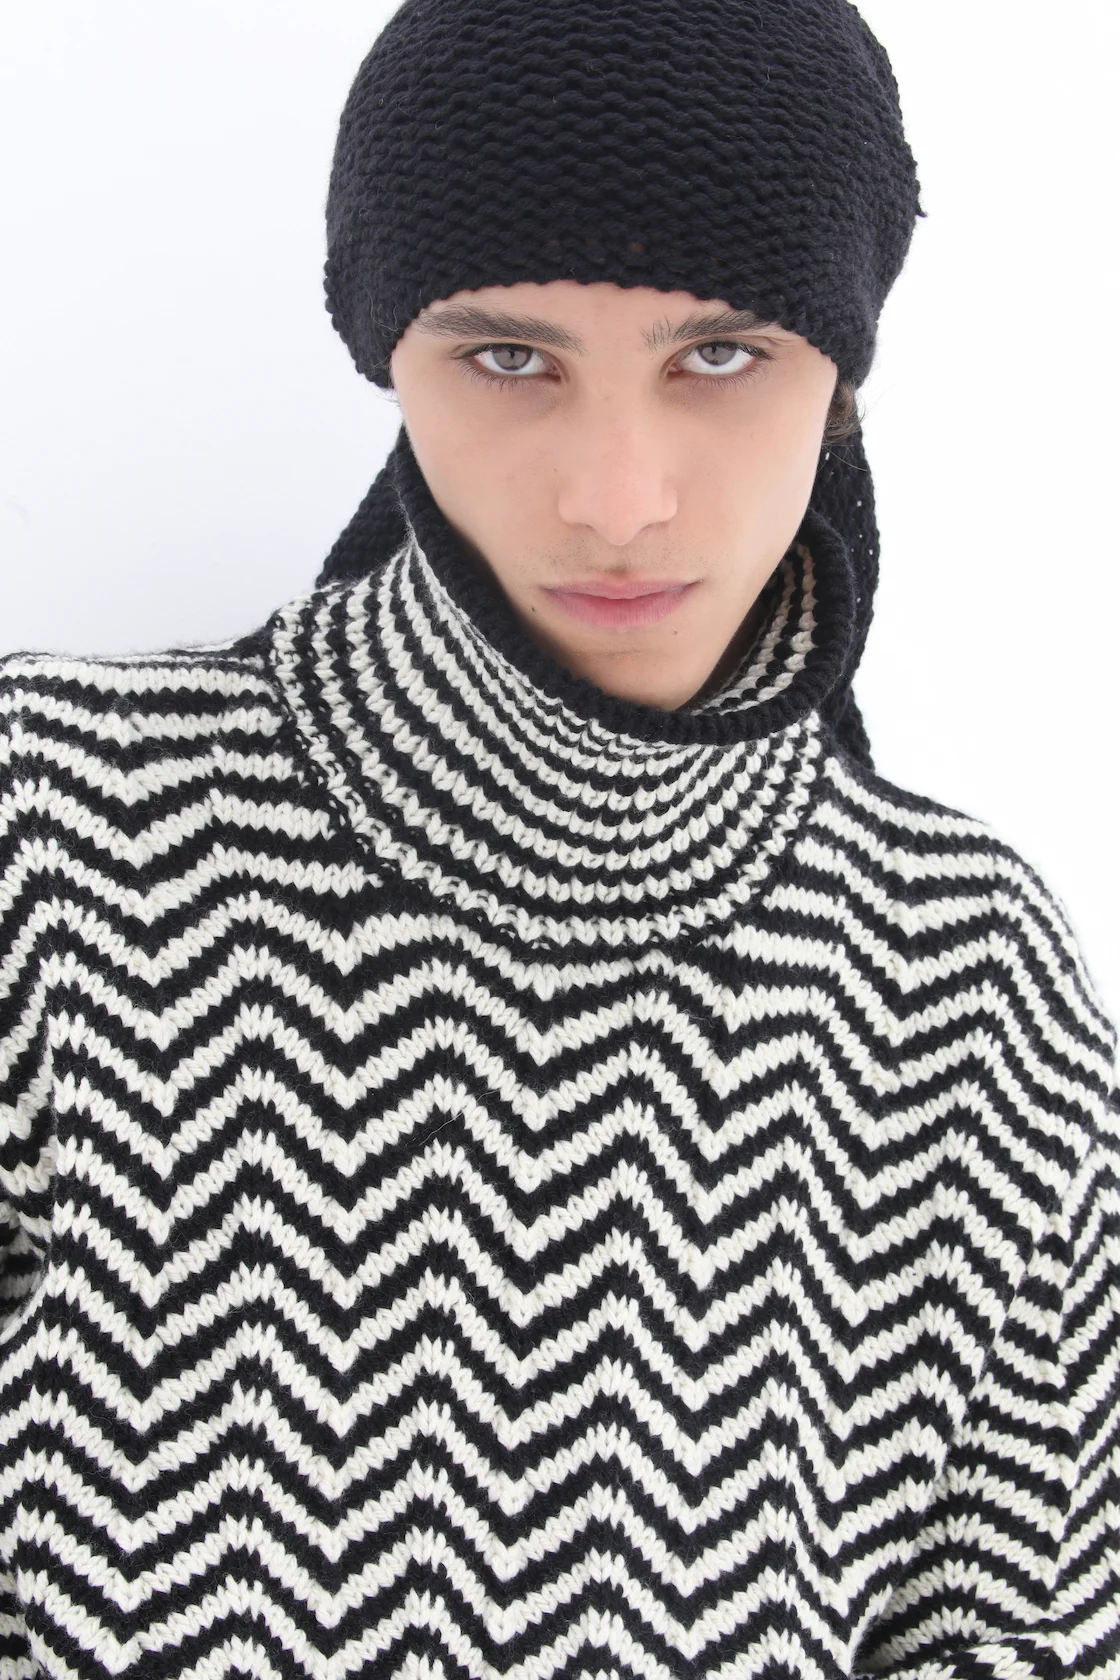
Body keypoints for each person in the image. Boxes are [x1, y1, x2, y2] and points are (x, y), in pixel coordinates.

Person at [0, 0, 1116, 1675]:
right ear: (388, 355)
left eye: (721, 354)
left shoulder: (968, 990)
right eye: (509, 357)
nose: (616, 498)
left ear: (843, 375)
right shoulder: (55, 828)